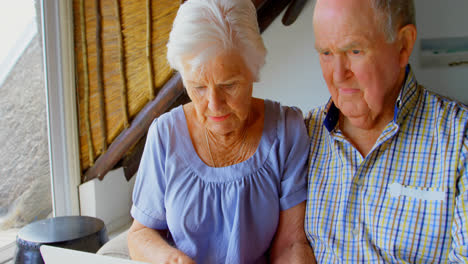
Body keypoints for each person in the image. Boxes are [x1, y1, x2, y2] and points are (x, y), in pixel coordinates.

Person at [127, 0, 315, 263]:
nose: (214, 105)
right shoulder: (165, 134)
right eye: (198, 87)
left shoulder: (287, 131)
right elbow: (140, 233)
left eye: (229, 85)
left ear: (254, 69)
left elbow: (291, 245)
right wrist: (170, 259)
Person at [304, 0, 468, 262]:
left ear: (403, 46)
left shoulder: (460, 139)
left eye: (355, 51)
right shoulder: (300, 137)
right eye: (325, 53)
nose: (337, 74)